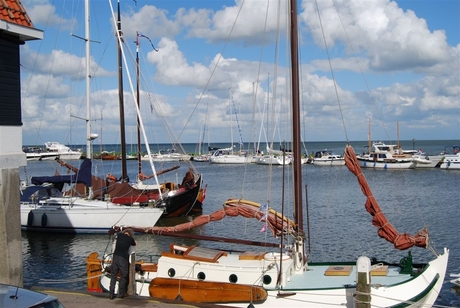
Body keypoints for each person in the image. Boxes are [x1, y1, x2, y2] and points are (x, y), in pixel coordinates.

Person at [109, 228, 136, 299]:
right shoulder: (130, 239)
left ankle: (111, 294)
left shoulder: (119, 235)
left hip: (115, 257)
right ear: (130, 234)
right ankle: (121, 293)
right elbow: (134, 244)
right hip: (123, 259)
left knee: (113, 275)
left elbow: (115, 233)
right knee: (124, 275)